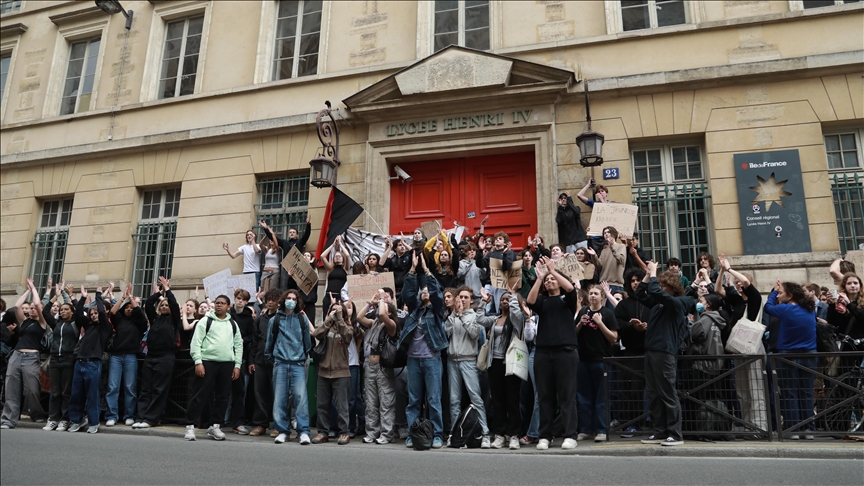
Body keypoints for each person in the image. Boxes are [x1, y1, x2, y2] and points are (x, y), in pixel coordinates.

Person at [635, 262, 694, 447]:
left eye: (664, 285)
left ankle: (675, 434)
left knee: (668, 392)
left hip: (665, 352)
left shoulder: (678, 303)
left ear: (673, 288)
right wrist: (647, 275)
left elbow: (655, 292)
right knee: (653, 393)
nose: (660, 288)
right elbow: (639, 294)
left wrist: (653, 273)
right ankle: (660, 431)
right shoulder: (660, 304)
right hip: (652, 351)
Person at [527, 256, 579, 450]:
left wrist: (553, 270)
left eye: (552, 280)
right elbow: (531, 301)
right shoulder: (543, 302)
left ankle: (570, 435)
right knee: (545, 396)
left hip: (566, 352)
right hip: (543, 353)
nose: (549, 281)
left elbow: (571, 288)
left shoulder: (567, 300)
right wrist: (540, 277)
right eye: (548, 280)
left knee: (567, 396)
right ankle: (544, 436)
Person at [399, 254, 449, 449]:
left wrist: (427, 272)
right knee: (414, 401)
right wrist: (412, 270)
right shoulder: (415, 311)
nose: (426, 292)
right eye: (423, 291)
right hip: (413, 360)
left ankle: (437, 434)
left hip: (431, 360)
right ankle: (414, 434)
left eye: (427, 290)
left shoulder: (436, 311)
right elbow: (406, 293)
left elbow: (437, 293)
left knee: (433, 399)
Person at [714, 256, 767, 437]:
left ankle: (760, 426)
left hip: (753, 347)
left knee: (756, 388)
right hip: (739, 347)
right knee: (742, 389)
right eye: (736, 283)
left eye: (741, 283)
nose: (738, 284)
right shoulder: (738, 301)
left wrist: (730, 269)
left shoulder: (755, 298)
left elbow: (744, 280)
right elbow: (717, 289)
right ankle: (747, 424)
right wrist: (721, 270)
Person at [183, 294, 243, 441]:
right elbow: (196, 342)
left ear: (228, 307)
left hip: (227, 363)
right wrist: (198, 362)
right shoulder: (205, 321)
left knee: (223, 396)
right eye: (217, 303)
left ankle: (215, 426)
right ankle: (190, 426)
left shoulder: (233, 324)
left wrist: (237, 365)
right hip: (207, 361)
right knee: (199, 394)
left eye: (222, 303)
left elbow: (238, 345)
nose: (219, 305)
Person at [764, 280, 817, 440]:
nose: (779, 295)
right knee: (806, 392)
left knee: (789, 393)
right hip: (809, 354)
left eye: (781, 293)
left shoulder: (785, 309)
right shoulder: (810, 309)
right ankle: (808, 429)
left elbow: (767, 307)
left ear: (790, 295)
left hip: (787, 356)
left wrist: (773, 291)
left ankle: (793, 428)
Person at [476, 290, 525, 450]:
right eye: (503, 299)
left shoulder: (516, 320)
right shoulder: (495, 319)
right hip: (494, 363)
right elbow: (480, 319)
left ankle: (514, 435)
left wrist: (513, 297)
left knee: (512, 400)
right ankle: (499, 435)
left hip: (510, 364)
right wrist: (484, 302)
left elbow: (517, 313)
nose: (505, 301)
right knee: (498, 401)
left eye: (508, 299)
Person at [265, 289, 313, 445]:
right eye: (288, 298)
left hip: (298, 363)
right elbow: (269, 341)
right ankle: (282, 431)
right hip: (280, 362)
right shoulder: (275, 320)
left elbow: (307, 342)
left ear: (297, 301)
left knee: (301, 398)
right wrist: (273, 358)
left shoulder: (302, 319)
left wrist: (303, 356)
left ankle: (303, 431)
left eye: (294, 298)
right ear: (283, 300)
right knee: (280, 399)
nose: (291, 301)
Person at [446, 287, 491, 449]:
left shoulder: (475, 316)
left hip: (468, 361)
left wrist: (463, 316)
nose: (462, 300)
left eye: (466, 297)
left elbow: (474, 333)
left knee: (476, 398)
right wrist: (454, 315)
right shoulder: (452, 316)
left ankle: (485, 433)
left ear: (471, 300)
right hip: (452, 360)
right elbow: (447, 332)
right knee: (454, 401)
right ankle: (453, 434)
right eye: (460, 297)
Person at [134, 277, 181, 429]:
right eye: (162, 305)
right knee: (146, 388)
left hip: (165, 357)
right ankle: (141, 417)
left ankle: (151, 419)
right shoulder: (155, 319)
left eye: (166, 305)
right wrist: (158, 293)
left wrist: (167, 290)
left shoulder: (174, 320)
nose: (164, 306)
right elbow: (147, 304)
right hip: (151, 356)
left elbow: (174, 304)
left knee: (159, 389)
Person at [1, 279, 48, 429]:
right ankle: (9, 419)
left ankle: (37, 414)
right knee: (11, 387)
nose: (33, 309)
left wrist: (34, 288)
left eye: (35, 308)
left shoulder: (42, 323)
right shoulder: (25, 322)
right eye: (31, 308)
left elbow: (39, 306)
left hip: (31, 357)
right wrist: (27, 290)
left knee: (32, 389)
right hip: (16, 355)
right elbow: (16, 306)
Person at [575, 285, 618, 442]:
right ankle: (585, 429)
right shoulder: (582, 312)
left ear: (602, 297)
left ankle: (601, 429)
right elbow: (573, 334)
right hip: (583, 360)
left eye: (596, 293)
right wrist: (580, 323)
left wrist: (600, 323)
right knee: (583, 397)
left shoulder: (607, 314)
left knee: (601, 398)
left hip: (601, 360)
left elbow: (614, 338)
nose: (592, 296)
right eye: (591, 293)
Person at [68, 285, 112, 433]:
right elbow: (79, 313)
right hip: (80, 362)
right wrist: (81, 298)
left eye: (95, 313)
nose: (93, 315)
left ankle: (93, 422)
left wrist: (98, 295)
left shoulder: (105, 328)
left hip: (93, 363)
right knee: (76, 394)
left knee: (92, 394)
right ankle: (76, 420)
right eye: (91, 313)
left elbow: (101, 310)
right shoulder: (88, 327)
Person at [357, 288, 399, 445]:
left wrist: (382, 298)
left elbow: (382, 313)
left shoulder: (391, 324)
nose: (379, 309)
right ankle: (372, 432)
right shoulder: (373, 323)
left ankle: (387, 433)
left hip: (383, 368)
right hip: (369, 366)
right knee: (371, 401)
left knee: (386, 401)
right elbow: (359, 317)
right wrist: (370, 303)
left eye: (383, 307)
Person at [311, 300, 354, 445]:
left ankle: (344, 432)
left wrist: (341, 318)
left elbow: (348, 336)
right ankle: (322, 432)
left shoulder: (347, 327)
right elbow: (317, 334)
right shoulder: (327, 327)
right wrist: (328, 319)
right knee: (322, 404)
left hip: (341, 372)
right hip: (323, 371)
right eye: (334, 310)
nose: (336, 313)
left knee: (342, 405)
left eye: (338, 310)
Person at [614, 267, 650, 436]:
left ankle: (654, 423)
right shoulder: (623, 305)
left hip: (651, 350)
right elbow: (618, 324)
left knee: (655, 389)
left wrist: (648, 328)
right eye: (633, 281)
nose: (635, 283)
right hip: (632, 352)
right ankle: (632, 423)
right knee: (631, 390)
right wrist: (633, 326)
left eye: (638, 280)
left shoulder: (652, 301)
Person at [105, 283, 147, 427]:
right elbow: (113, 312)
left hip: (131, 356)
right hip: (116, 356)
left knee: (130, 387)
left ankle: (129, 415)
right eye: (127, 308)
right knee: (113, 387)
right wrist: (122, 298)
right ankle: (112, 415)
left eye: (131, 308)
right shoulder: (120, 321)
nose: (129, 309)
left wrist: (131, 298)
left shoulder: (139, 323)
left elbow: (140, 313)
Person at [248, 288, 283, 437]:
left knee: (278, 394)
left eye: (273, 299)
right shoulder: (261, 319)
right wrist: (252, 360)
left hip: (277, 360)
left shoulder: (282, 318)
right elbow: (255, 340)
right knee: (259, 392)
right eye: (268, 299)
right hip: (260, 359)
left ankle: (278, 424)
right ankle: (260, 424)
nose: (270, 302)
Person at [44, 300, 79, 432]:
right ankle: (53, 419)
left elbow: (80, 313)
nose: (62, 311)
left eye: (66, 309)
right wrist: (54, 296)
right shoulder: (56, 324)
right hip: (54, 359)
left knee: (66, 392)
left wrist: (71, 297)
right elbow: (45, 312)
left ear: (71, 312)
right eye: (61, 309)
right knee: (55, 391)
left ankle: (65, 419)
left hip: (68, 359)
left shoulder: (75, 324)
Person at [228, 289, 255, 434]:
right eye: (238, 298)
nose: (240, 301)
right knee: (223, 390)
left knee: (240, 391)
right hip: (226, 355)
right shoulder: (227, 315)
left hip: (241, 356)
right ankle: (220, 420)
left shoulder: (248, 318)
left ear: (246, 302)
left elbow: (252, 337)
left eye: (243, 299)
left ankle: (237, 421)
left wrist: (243, 340)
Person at [259, 217, 312, 291]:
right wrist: (265, 228)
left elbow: (307, 235)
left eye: (293, 232)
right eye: (290, 232)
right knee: (284, 287)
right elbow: (272, 237)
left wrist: (308, 224)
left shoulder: (300, 242)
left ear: (297, 235)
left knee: (298, 289)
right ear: (288, 235)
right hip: (286, 268)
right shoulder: (284, 243)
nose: (292, 233)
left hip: (298, 269)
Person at [576, 180, 610, 254]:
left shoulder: (611, 204)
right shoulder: (595, 204)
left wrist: (601, 200)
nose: (600, 193)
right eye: (598, 191)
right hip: (595, 238)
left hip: (606, 237)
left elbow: (608, 213)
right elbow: (579, 195)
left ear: (606, 193)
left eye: (602, 191)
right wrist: (588, 185)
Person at [321, 235, 351, 316]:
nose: (337, 257)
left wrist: (340, 244)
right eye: (336, 256)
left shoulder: (346, 269)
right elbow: (322, 256)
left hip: (339, 297)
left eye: (339, 256)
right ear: (333, 259)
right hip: (328, 296)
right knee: (326, 317)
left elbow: (347, 255)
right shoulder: (330, 269)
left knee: (339, 317)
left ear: (342, 259)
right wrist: (333, 245)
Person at [598, 226, 626, 293]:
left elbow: (621, 260)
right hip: (603, 284)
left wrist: (612, 248)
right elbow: (599, 266)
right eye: (604, 233)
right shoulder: (604, 250)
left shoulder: (621, 246)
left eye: (608, 232)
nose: (606, 234)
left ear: (614, 234)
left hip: (616, 284)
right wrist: (593, 256)